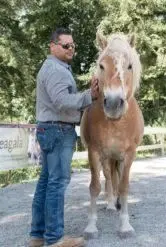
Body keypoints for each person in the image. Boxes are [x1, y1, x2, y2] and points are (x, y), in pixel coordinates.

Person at [29, 27, 99, 247]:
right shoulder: (56, 70)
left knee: (46, 183)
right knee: (57, 184)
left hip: (49, 129)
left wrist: (87, 95)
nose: (71, 49)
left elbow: (63, 99)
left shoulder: (54, 67)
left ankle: (38, 235)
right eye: (66, 45)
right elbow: (62, 101)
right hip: (58, 130)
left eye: (73, 45)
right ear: (53, 46)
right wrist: (91, 95)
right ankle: (54, 239)